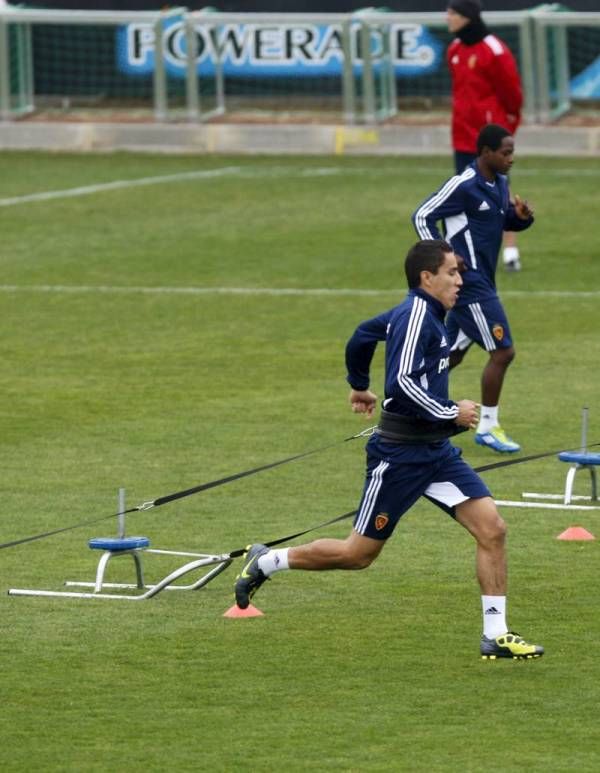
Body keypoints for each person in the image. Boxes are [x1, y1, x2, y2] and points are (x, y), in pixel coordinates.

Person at [234, 239, 543, 661]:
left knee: (493, 529)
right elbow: (402, 384)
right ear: (426, 277)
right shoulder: (417, 315)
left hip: (436, 453)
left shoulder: (431, 313)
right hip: (399, 456)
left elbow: (363, 335)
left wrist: (358, 384)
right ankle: (267, 562)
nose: (460, 279)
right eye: (452, 272)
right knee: (357, 555)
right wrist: (451, 410)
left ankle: (496, 634)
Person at [412, 124, 533, 454]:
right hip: (470, 286)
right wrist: (445, 257)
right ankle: (489, 427)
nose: (511, 159)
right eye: (505, 153)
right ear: (485, 153)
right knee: (503, 351)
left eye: (513, 153)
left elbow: (499, 219)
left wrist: (520, 218)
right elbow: (422, 216)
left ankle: (413, 408)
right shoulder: (463, 185)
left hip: (483, 281)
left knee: (449, 354)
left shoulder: (500, 183)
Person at [446, 0, 523, 272]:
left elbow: (512, 94)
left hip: (489, 137)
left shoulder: (494, 49)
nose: (448, 17)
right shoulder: (454, 49)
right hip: (462, 135)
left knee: (500, 192)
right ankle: (461, 253)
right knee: (462, 192)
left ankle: (511, 250)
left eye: (453, 13)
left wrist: (506, 128)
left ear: (467, 17)